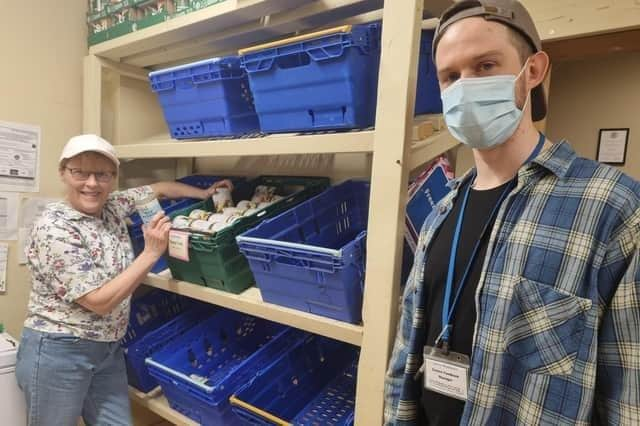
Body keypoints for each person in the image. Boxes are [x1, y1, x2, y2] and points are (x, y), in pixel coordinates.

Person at [384, 1, 639, 425]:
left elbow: (628, 399)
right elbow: (404, 359)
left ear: (534, 70)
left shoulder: (614, 209)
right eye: (451, 76)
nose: (465, 87)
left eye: (485, 66)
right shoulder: (440, 212)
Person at [15, 134, 232, 425]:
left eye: (102, 174)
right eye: (80, 172)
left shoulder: (113, 205)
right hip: (60, 349)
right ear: (63, 174)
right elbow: (99, 302)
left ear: (114, 178)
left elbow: (160, 190)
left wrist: (203, 194)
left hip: (108, 347)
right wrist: (151, 252)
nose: (92, 183)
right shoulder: (55, 229)